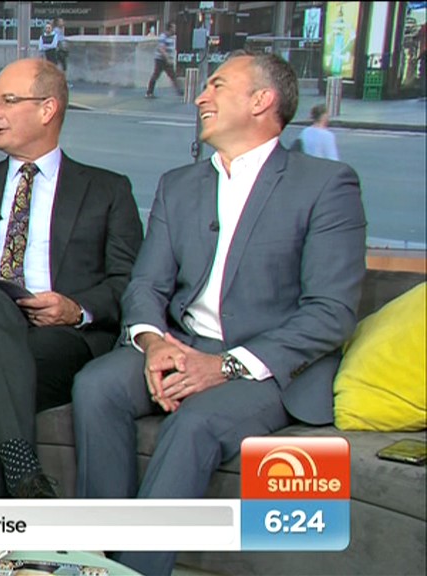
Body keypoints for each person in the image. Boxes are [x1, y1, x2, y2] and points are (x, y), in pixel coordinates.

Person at [71, 51, 366, 575]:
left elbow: (331, 312)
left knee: (196, 422)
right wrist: (153, 344)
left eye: (217, 86)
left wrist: (224, 366)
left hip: (270, 367)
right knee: (96, 386)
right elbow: (146, 285)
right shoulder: (178, 185)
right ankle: (95, 556)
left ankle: (133, 570)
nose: (201, 98)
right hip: (183, 344)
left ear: (261, 100)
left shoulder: (326, 184)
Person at [0, 58, 144, 499]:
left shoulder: (107, 190)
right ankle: (23, 472)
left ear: (47, 109)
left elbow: (128, 280)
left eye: (7, 101)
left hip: (55, 340)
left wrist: (75, 308)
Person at [145, 22, 183, 99]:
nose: (175, 29)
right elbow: (161, 48)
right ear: (170, 28)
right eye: (174, 28)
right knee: (156, 75)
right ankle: (149, 92)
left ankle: (180, 92)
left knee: (173, 75)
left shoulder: (171, 37)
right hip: (160, 59)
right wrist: (167, 58)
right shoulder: (163, 36)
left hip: (166, 60)